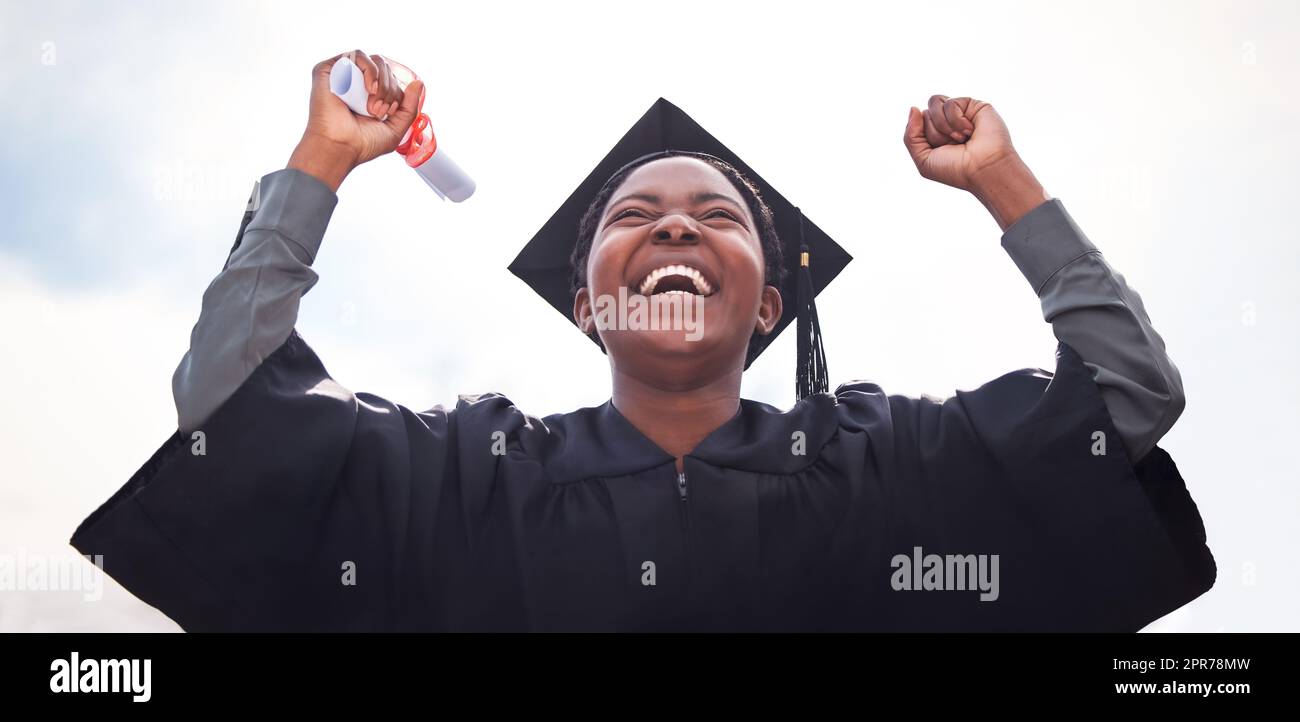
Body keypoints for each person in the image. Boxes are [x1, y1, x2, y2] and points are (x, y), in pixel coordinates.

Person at [71, 50, 1214, 631]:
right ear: (587, 304)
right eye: (636, 214)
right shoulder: (472, 472)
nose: (675, 220)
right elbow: (231, 409)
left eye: (718, 215)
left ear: (767, 304)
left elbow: (1124, 396)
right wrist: (319, 161)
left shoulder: (886, 463)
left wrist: (998, 179)